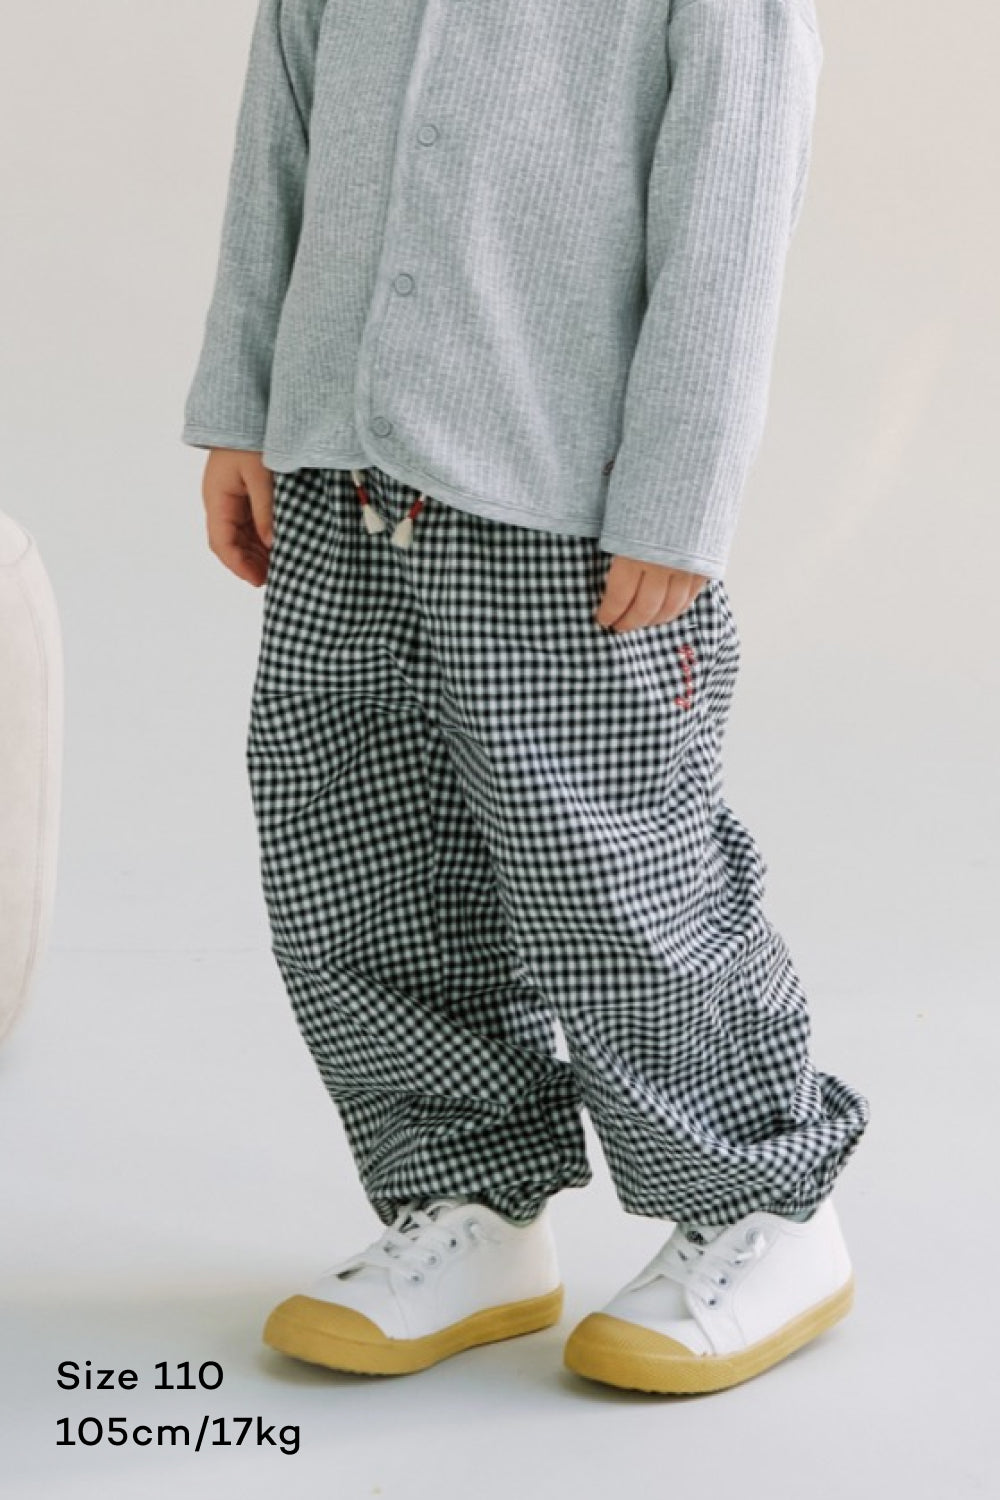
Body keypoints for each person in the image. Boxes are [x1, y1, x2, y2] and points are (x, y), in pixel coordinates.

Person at [181, 0, 871, 1395]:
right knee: (354, 848)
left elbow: (731, 208)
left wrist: (680, 491)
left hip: (569, 509)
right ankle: (470, 1199)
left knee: (610, 873)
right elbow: (278, 146)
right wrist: (240, 407)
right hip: (336, 474)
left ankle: (765, 1208)